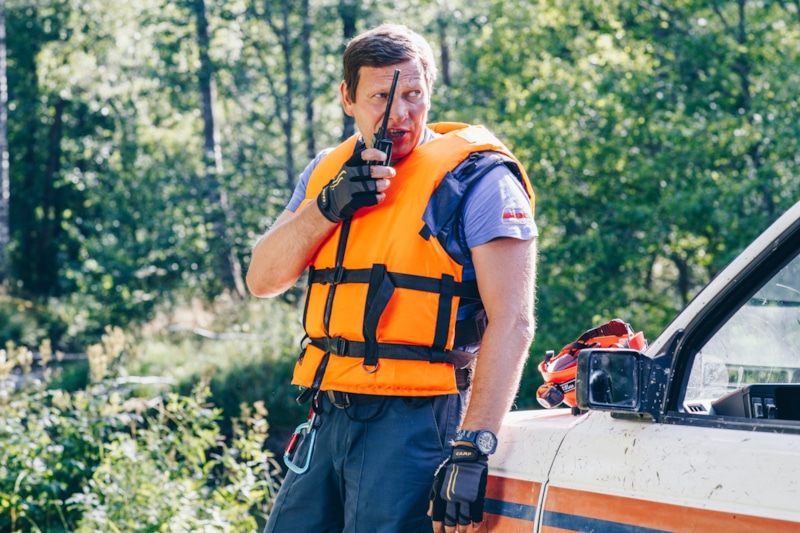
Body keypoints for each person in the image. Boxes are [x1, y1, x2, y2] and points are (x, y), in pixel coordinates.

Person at [246, 23, 537, 533]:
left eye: (413, 95)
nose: (399, 114)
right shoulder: (325, 171)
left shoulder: (479, 181)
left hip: (417, 424)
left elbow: (513, 322)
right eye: (382, 96)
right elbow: (263, 278)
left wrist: (473, 449)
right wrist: (327, 208)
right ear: (348, 98)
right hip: (328, 412)